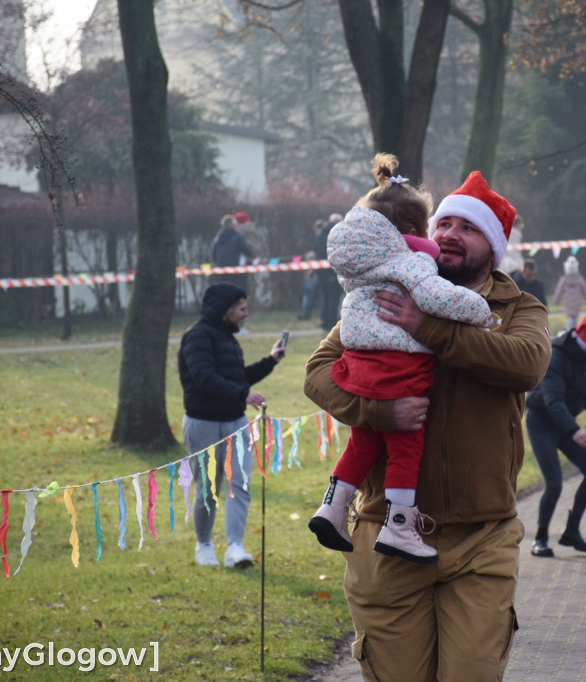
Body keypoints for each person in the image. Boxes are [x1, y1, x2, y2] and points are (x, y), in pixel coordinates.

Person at [303, 170, 551, 681]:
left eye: (468, 227)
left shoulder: (516, 308)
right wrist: (379, 414)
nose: (449, 234)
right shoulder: (383, 289)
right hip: (384, 537)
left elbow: (526, 364)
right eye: (444, 223)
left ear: (495, 246)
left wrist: (427, 326)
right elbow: (318, 374)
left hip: (480, 539)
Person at [308, 154, 492, 563]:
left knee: (364, 441)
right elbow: (436, 296)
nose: (441, 235)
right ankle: (400, 526)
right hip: (400, 370)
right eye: (436, 225)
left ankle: (333, 506)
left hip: (357, 367)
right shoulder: (411, 261)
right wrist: (480, 311)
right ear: (412, 229)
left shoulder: (359, 262)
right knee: (406, 445)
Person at [178, 282, 286, 568]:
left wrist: (270, 361)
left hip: (236, 423)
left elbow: (237, 378)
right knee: (209, 489)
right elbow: (204, 378)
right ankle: (204, 545)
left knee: (239, 485)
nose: (246, 314)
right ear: (225, 310)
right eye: (241, 308)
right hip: (203, 424)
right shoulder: (197, 337)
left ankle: (235, 548)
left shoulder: (227, 338)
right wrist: (243, 394)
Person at [524, 312, 586, 558]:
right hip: (542, 423)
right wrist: (574, 430)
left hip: (565, 423)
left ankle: (571, 532)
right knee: (554, 483)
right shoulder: (554, 357)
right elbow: (552, 400)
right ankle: (541, 539)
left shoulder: (585, 359)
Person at [315, 212, 345, 331]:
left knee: (325, 297)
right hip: (333, 271)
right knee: (334, 298)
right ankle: (331, 324)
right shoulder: (338, 234)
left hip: (321, 271)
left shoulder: (320, 233)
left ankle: (324, 321)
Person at [211, 214, 254, 291]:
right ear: (232, 224)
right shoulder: (237, 237)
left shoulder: (217, 239)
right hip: (237, 273)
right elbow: (248, 252)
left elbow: (213, 257)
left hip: (222, 273)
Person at [554, 255, 586, 330]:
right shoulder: (580, 279)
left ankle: (571, 325)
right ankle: (573, 325)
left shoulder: (564, 279)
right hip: (577, 301)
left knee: (572, 316)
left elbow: (559, 291)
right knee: (574, 316)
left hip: (567, 301)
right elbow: (585, 291)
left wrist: (556, 300)